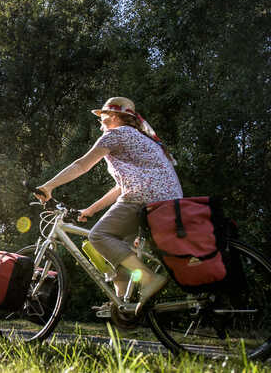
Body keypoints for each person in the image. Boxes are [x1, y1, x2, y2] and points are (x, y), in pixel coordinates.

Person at [35, 97, 183, 314]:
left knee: (98, 237)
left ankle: (150, 279)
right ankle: (123, 307)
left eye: (102, 116)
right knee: (120, 248)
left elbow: (81, 165)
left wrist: (48, 186)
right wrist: (91, 210)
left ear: (113, 117)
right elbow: (119, 189)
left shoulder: (116, 134)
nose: (99, 121)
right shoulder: (141, 139)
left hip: (146, 198)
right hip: (164, 200)